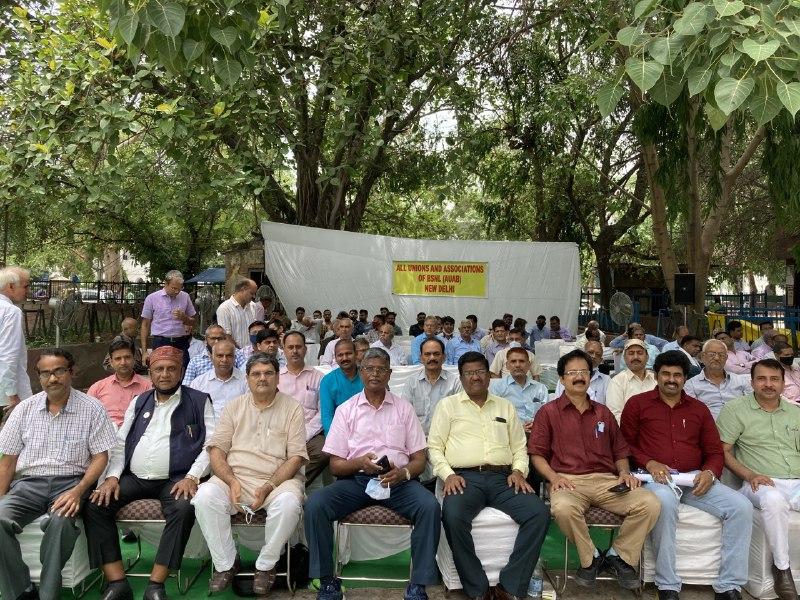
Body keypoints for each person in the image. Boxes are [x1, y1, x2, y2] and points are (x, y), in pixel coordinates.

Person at [305, 348, 440, 600]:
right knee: (316, 504)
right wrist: (358, 463)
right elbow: (335, 465)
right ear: (361, 372)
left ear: (389, 374)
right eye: (369, 368)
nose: (375, 374)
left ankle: (418, 585)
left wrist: (404, 473)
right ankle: (326, 582)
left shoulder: (404, 409)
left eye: (381, 369)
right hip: (357, 481)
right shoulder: (347, 410)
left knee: (429, 506)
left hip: (397, 482)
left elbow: (420, 459)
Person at [84, 345, 216, 600]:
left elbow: (211, 445)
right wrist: (112, 477)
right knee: (95, 505)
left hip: (176, 479)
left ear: (181, 371)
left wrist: (192, 476)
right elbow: (121, 443)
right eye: (159, 369)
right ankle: (116, 582)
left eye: (171, 369)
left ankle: (156, 584)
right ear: (151, 373)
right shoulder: (140, 400)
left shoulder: (199, 400)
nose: (165, 374)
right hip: (134, 478)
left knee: (183, 507)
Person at [620, 350, 753, 600]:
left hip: (694, 479)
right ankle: (667, 585)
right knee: (666, 502)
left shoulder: (698, 409)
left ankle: (729, 585)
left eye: (677, 375)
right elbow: (624, 445)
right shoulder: (637, 404)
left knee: (741, 507)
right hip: (655, 480)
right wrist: (649, 463)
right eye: (666, 374)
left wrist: (710, 473)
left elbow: (714, 451)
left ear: (684, 378)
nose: (671, 379)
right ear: (656, 375)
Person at [531, 349, 660, 590]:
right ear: (562, 379)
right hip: (568, 481)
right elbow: (537, 454)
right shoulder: (548, 413)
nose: (579, 376)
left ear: (591, 376)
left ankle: (617, 555)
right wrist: (553, 477)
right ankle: (590, 558)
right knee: (563, 508)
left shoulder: (603, 413)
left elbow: (621, 452)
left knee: (650, 503)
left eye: (584, 372)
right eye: (572, 372)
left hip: (606, 481)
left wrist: (623, 473)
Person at [428, 351, 550, 600]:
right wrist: (448, 475)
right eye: (469, 373)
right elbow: (434, 447)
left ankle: (509, 585)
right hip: (464, 479)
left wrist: (518, 471)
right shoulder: (447, 406)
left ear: (490, 375)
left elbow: (518, 447)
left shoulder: (505, 406)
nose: (475, 377)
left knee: (539, 513)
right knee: (453, 515)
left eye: (480, 372)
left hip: (503, 479)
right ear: (461, 378)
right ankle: (478, 589)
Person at [0, 349, 116, 600]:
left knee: (61, 522)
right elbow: (8, 461)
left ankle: (48, 593)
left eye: (59, 371)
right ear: (39, 377)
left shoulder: (92, 408)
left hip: (71, 483)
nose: (53, 378)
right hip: (27, 485)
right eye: (46, 373)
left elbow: (100, 457)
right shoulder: (24, 410)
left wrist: (78, 491)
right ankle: (20, 590)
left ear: (71, 373)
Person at [193, 354, 307, 595]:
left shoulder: (293, 407)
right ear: (247, 379)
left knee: (289, 503)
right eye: (256, 374)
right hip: (236, 478)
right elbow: (216, 449)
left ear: (277, 377)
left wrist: (269, 486)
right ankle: (226, 563)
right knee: (205, 496)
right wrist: (231, 480)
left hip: (278, 481)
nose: (262, 378)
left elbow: (296, 457)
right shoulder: (234, 406)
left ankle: (266, 565)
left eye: (268, 373)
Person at [717, 359, 800, 600]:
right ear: (752, 382)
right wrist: (750, 475)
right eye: (762, 379)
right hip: (757, 482)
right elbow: (723, 451)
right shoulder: (735, 409)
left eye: (774, 379)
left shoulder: (795, 413)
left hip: (796, 482)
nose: (768, 384)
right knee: (773, 499)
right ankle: (782, 570)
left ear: (783, 384)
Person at [279, 331, 328, 485]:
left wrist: (304, 433)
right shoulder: (275, 377)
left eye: (299, 347)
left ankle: (290, 484)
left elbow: (322, 411)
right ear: (284, 350)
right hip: (280, 431)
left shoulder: (319, 377)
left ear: (305, 349)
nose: (295, 351)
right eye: (290, 347)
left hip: (311, 433)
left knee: (324, 452)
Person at [89, 339, 153, 427]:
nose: (123, 362)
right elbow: (87, 415)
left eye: (127, 357)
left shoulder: (148, 387)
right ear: (111, 362)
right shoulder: (97, 388)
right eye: (118, 359)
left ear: (134, 359)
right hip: (104, 435)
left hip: (136, 435)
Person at [140, 270, 197, 368]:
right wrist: (144, 352)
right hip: (160, 341)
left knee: (183, 372)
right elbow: (145, 325)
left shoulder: (185, 297)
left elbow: (193, 322)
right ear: (165, 283)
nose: (176, 291)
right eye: (174, 288)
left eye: (179, 288)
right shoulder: (152, 298)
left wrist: (184, 317)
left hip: (181, 341)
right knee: (161, 373)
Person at [406, 337, 462, 435]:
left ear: (444, 357)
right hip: (417, 441)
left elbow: (460, 416)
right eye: (427, 354)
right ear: (421, 358)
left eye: (436, 354)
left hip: (447, 439)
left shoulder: (455, 382)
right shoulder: (411, 382)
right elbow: (405, 415)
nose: (432, 358)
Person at [684, 339, 752, 420]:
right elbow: (691, 414)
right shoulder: (691, 385)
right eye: (712, 354)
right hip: (709, 429)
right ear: (702, 356)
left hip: (741, 427)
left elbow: (751, 406)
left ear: (726, 358)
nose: (716, 358)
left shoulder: (741, 381)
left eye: (721, 355)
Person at [489, 347, 549, 430]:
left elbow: (547, 414)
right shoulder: (498, 387)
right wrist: (518, 429)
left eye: (522, 361)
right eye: (513, 361)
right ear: (507, 365)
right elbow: (494, 417)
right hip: (509, 434)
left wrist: (536, 424)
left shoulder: (540, 388)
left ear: (528, 365)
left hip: (537, 432)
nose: (517, 365)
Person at [0, 266, 33, 416]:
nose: (28, 291)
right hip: (6, 395)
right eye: (25, 286)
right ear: (11, 286)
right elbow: (8, 355)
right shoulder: (11, 312)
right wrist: (12, 394)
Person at [189, 339, 248, 421]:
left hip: (237, 430)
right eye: (220, 356)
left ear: (235, 358)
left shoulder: (246, 381)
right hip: (208, 432)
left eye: (229, 356)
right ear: (211, 358)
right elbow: (192, 413)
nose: (224, 360)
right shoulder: (198, 383)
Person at [319, 339, 364, 435]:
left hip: (366, 430)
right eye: (340, 355)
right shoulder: (328, 381)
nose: (344, 358)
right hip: (339, 432)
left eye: (348, 353)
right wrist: (334, 441)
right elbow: (327, 416)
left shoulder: (367, 376)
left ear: (356, 354)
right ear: (335, 357)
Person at [606, 339, 657, 422]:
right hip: (629, 432)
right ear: (625, 358)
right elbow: (615, 415)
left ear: (647, 357)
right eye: (631, 353)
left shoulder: (656, 379)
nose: (635, 357)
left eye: (640, 353)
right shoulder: (617, 381)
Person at [554, 340, 611, 404]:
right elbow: (557, 404)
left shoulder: (606, 380)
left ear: (601, 360)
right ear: (583, 354)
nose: (593, 356)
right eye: (590, 352)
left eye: (598, 354)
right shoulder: (566, 377)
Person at [215, 278, 257, 349]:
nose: (254, 296)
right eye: (252, 293)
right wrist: (240, 353)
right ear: (243, 289)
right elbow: (226, 336)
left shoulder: (253, 306)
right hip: (235, 354)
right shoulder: (225, 308)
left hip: (253, 353)